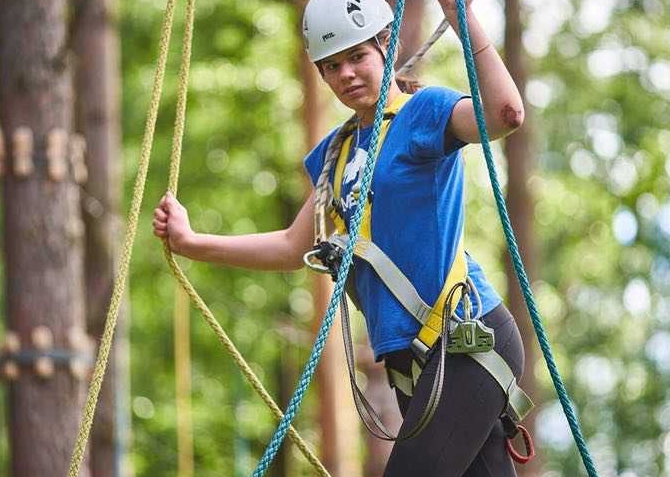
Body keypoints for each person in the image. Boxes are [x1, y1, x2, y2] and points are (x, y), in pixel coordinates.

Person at [153, 0, 530, 475]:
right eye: (332, 66)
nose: (346, 73)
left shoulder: (424, 115)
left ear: (387, 46)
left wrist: (458, 15)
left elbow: (504, 113)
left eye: (357, 57)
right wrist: (192, 243)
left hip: (465, 339)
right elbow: (294, 247)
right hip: (413, 363)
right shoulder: (338, 152)